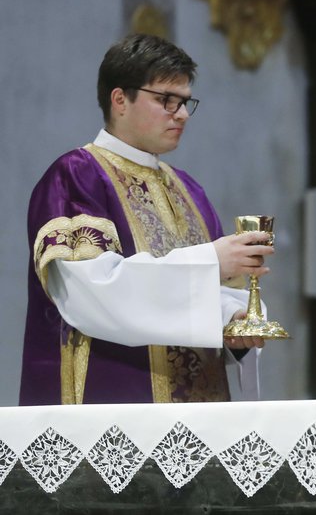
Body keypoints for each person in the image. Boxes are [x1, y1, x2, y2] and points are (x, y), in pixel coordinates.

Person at [22, 34, 272, 405]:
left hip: (202, 415)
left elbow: (214, 292)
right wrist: (211, 261)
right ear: (120, 99)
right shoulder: (76, 176)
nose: (182, 114)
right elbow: (93, 294)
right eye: (166, 100)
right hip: (111, 407)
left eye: (185, 102)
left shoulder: (189, 190)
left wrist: (232, 319)